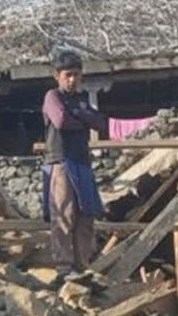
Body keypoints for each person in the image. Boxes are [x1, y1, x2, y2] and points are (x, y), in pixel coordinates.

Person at [41, 50, 108, 288]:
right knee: (64, 215)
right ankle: (64, 268)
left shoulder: (79, 100)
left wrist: (79, 114)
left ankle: (82, 266)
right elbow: (60, 121)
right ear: (57, 75)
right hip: (61, 162)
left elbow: (101, 123)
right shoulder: (52, 96)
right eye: (68, 75)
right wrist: (84, 117)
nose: (72, 80)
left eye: (76, 75)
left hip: (82, 163)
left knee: (86, 216)